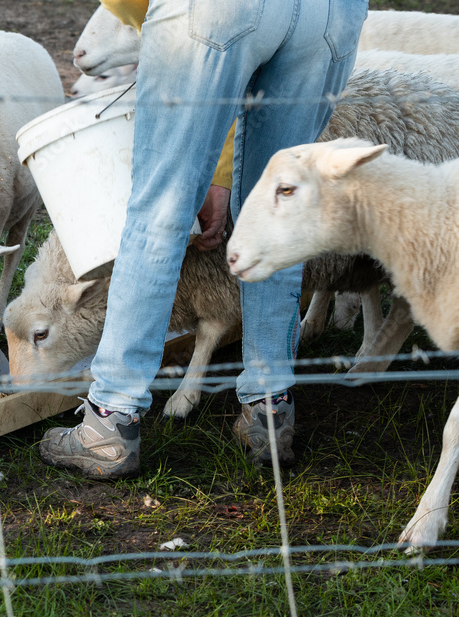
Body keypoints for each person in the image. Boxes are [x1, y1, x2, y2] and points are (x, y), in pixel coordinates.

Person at [40, 0, 369, 478]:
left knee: (160, 210)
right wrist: (220, 173)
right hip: (331, 14)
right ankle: (269, 412)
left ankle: (109, 421)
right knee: (276, 208)